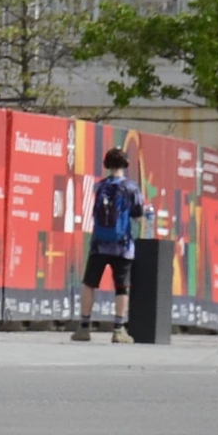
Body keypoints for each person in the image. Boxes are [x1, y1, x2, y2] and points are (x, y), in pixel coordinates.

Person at [76, 147, 144, 345]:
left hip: (98, 244)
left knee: (90, 283)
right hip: (123, 246)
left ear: (106, 164)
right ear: (125, 164)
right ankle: (118, 329)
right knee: (121, 287)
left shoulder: (99, 187)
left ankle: (84, 327)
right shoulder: (131, 188)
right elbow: (139, 216)